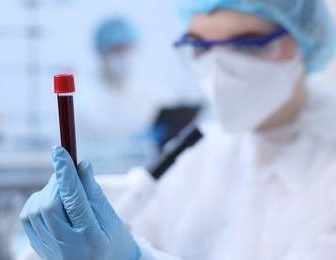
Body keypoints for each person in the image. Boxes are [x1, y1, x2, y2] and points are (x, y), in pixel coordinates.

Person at [19, 0, 336, 259]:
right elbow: (134, 230)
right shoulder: (201, 152)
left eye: (244, 45)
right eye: (199, 47)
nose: (218, 70)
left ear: (307, 37)